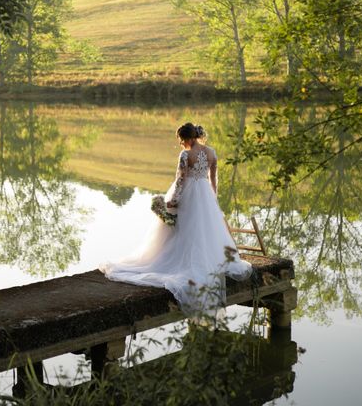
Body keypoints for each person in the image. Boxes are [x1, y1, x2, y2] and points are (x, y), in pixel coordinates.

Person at [100, 122, 252, 315]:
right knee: (205, 230)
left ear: (188, 138)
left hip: (189, 194)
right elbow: (214, 180)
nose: (181, 144)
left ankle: (176, 261)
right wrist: (212, 200)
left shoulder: (186, 155)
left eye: (181, 140)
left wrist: (172, 200)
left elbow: (180, 179)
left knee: (181, 228)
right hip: (205, 194)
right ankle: (210, 260)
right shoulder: (212, 152)